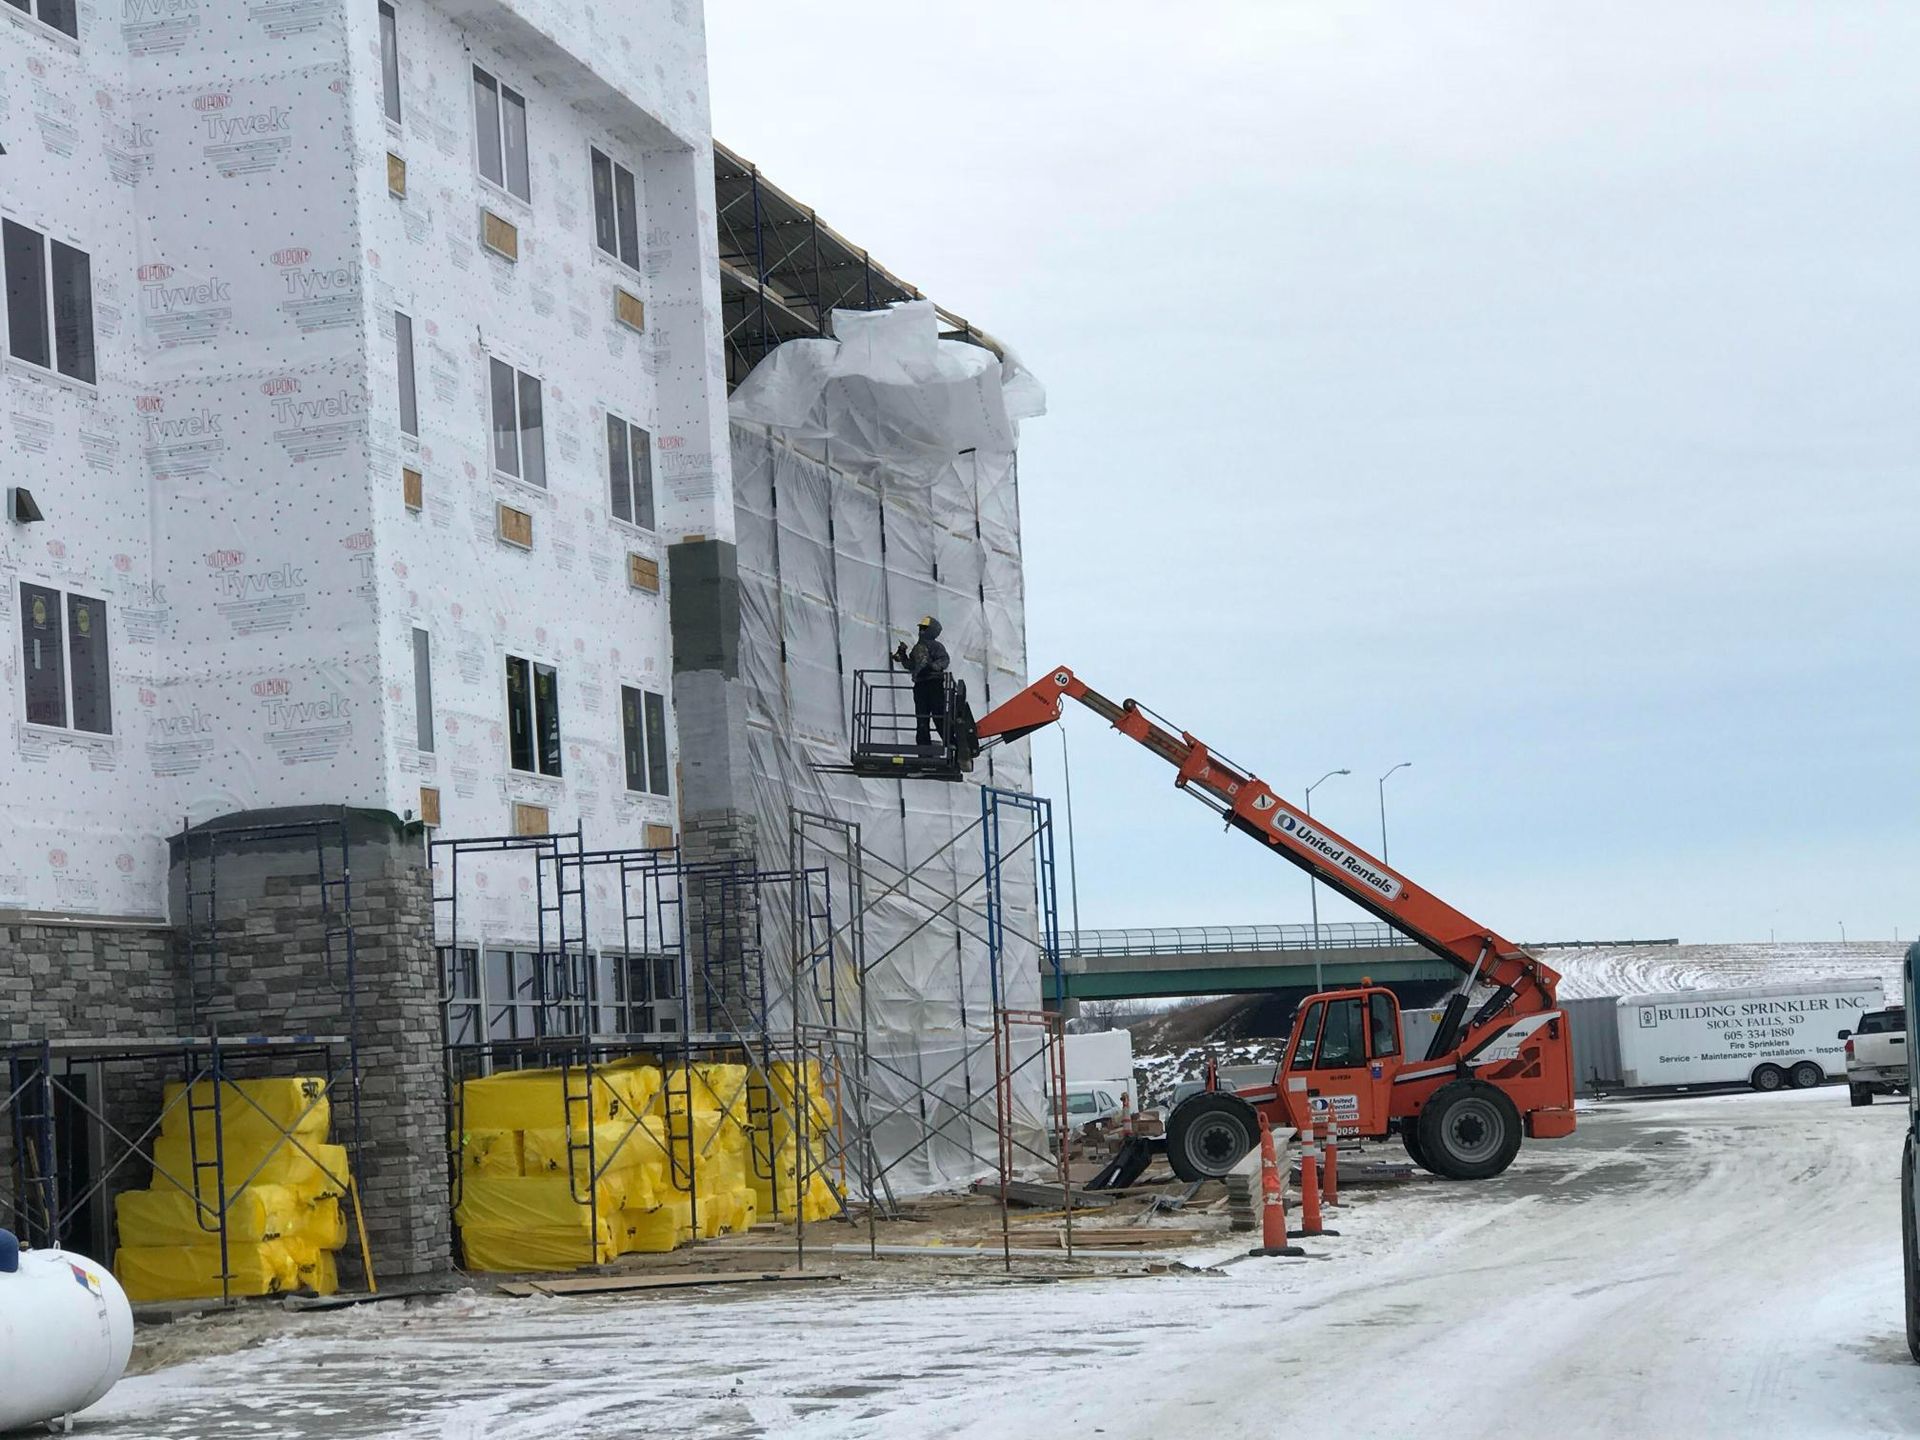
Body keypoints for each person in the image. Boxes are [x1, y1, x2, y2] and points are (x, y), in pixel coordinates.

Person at [892, 616, 951, 747]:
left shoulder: (936, 646)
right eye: (921, 628)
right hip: (921, 684)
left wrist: (932, 667)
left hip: (933, 684)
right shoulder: (918, 648)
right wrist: (902, 655)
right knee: (922, 718)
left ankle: (950, 742)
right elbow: (911, 665)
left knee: (938, 716)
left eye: (925, 628)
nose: (922, 631)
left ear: (932, 630)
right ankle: (924, 745)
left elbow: (944, 660)